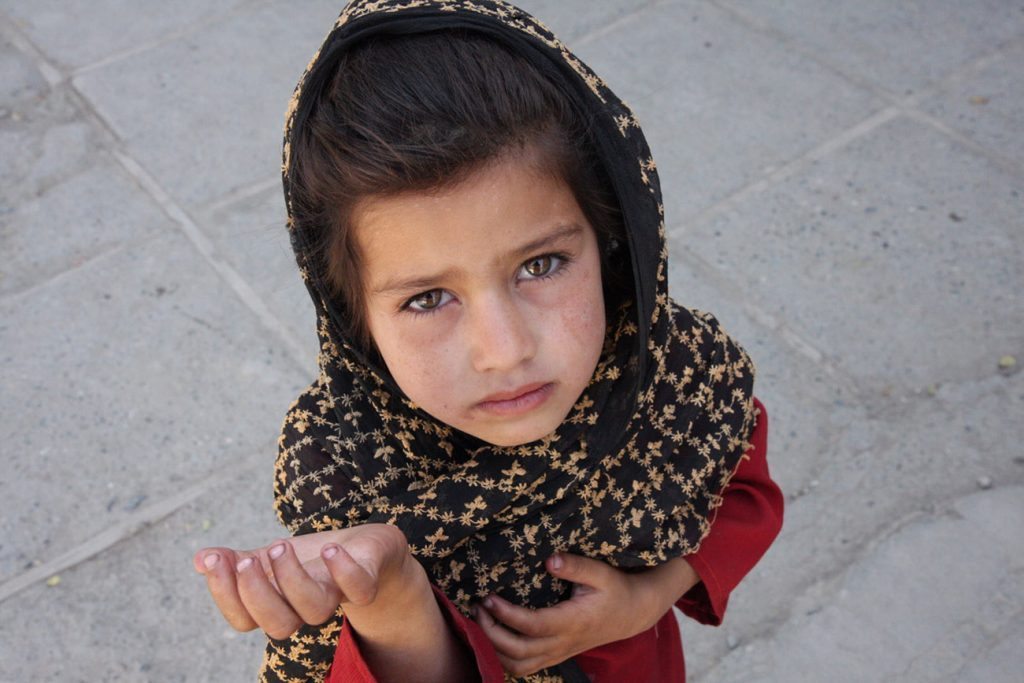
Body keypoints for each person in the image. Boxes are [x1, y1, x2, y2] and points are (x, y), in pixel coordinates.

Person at [193, 1, 784, 681]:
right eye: (427, 298)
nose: (504, 351)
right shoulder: (347, 482)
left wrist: (647, 597)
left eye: (540, 265)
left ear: (613, 241)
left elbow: (745, 494)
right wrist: (391, 599)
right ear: (353, 322)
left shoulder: (674, 379)